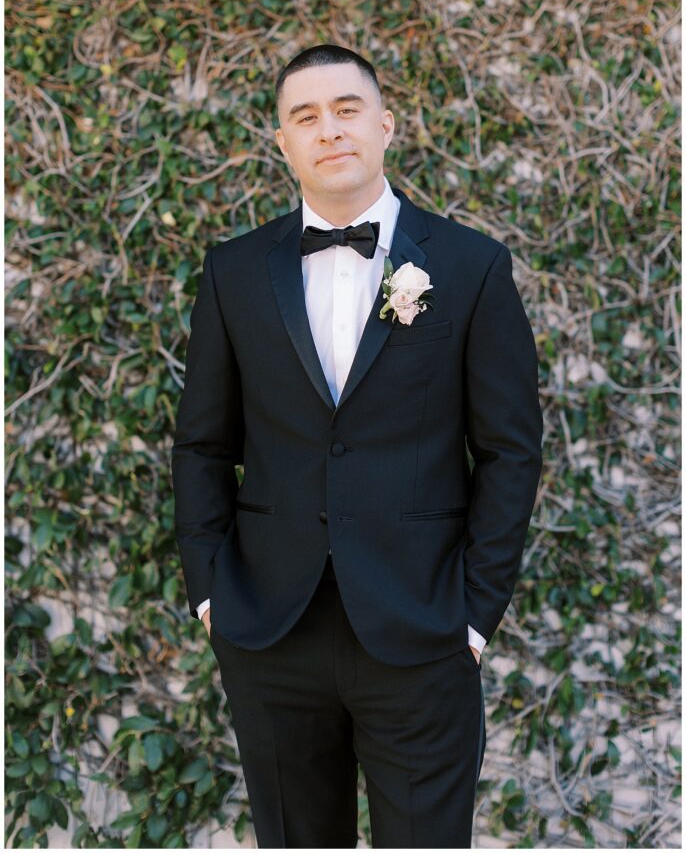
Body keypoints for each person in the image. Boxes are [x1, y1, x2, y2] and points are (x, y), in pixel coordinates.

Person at [171, 43, 543, 848]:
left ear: (385, 124)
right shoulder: (233, 272)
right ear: (282, 143)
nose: (328, 129)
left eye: (346, 109)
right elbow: (201, 444)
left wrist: (474, 618)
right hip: (270, 631)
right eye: (305, 116)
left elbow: (511, 450)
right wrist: (211, 594)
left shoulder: (471, 267)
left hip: (422, 630)